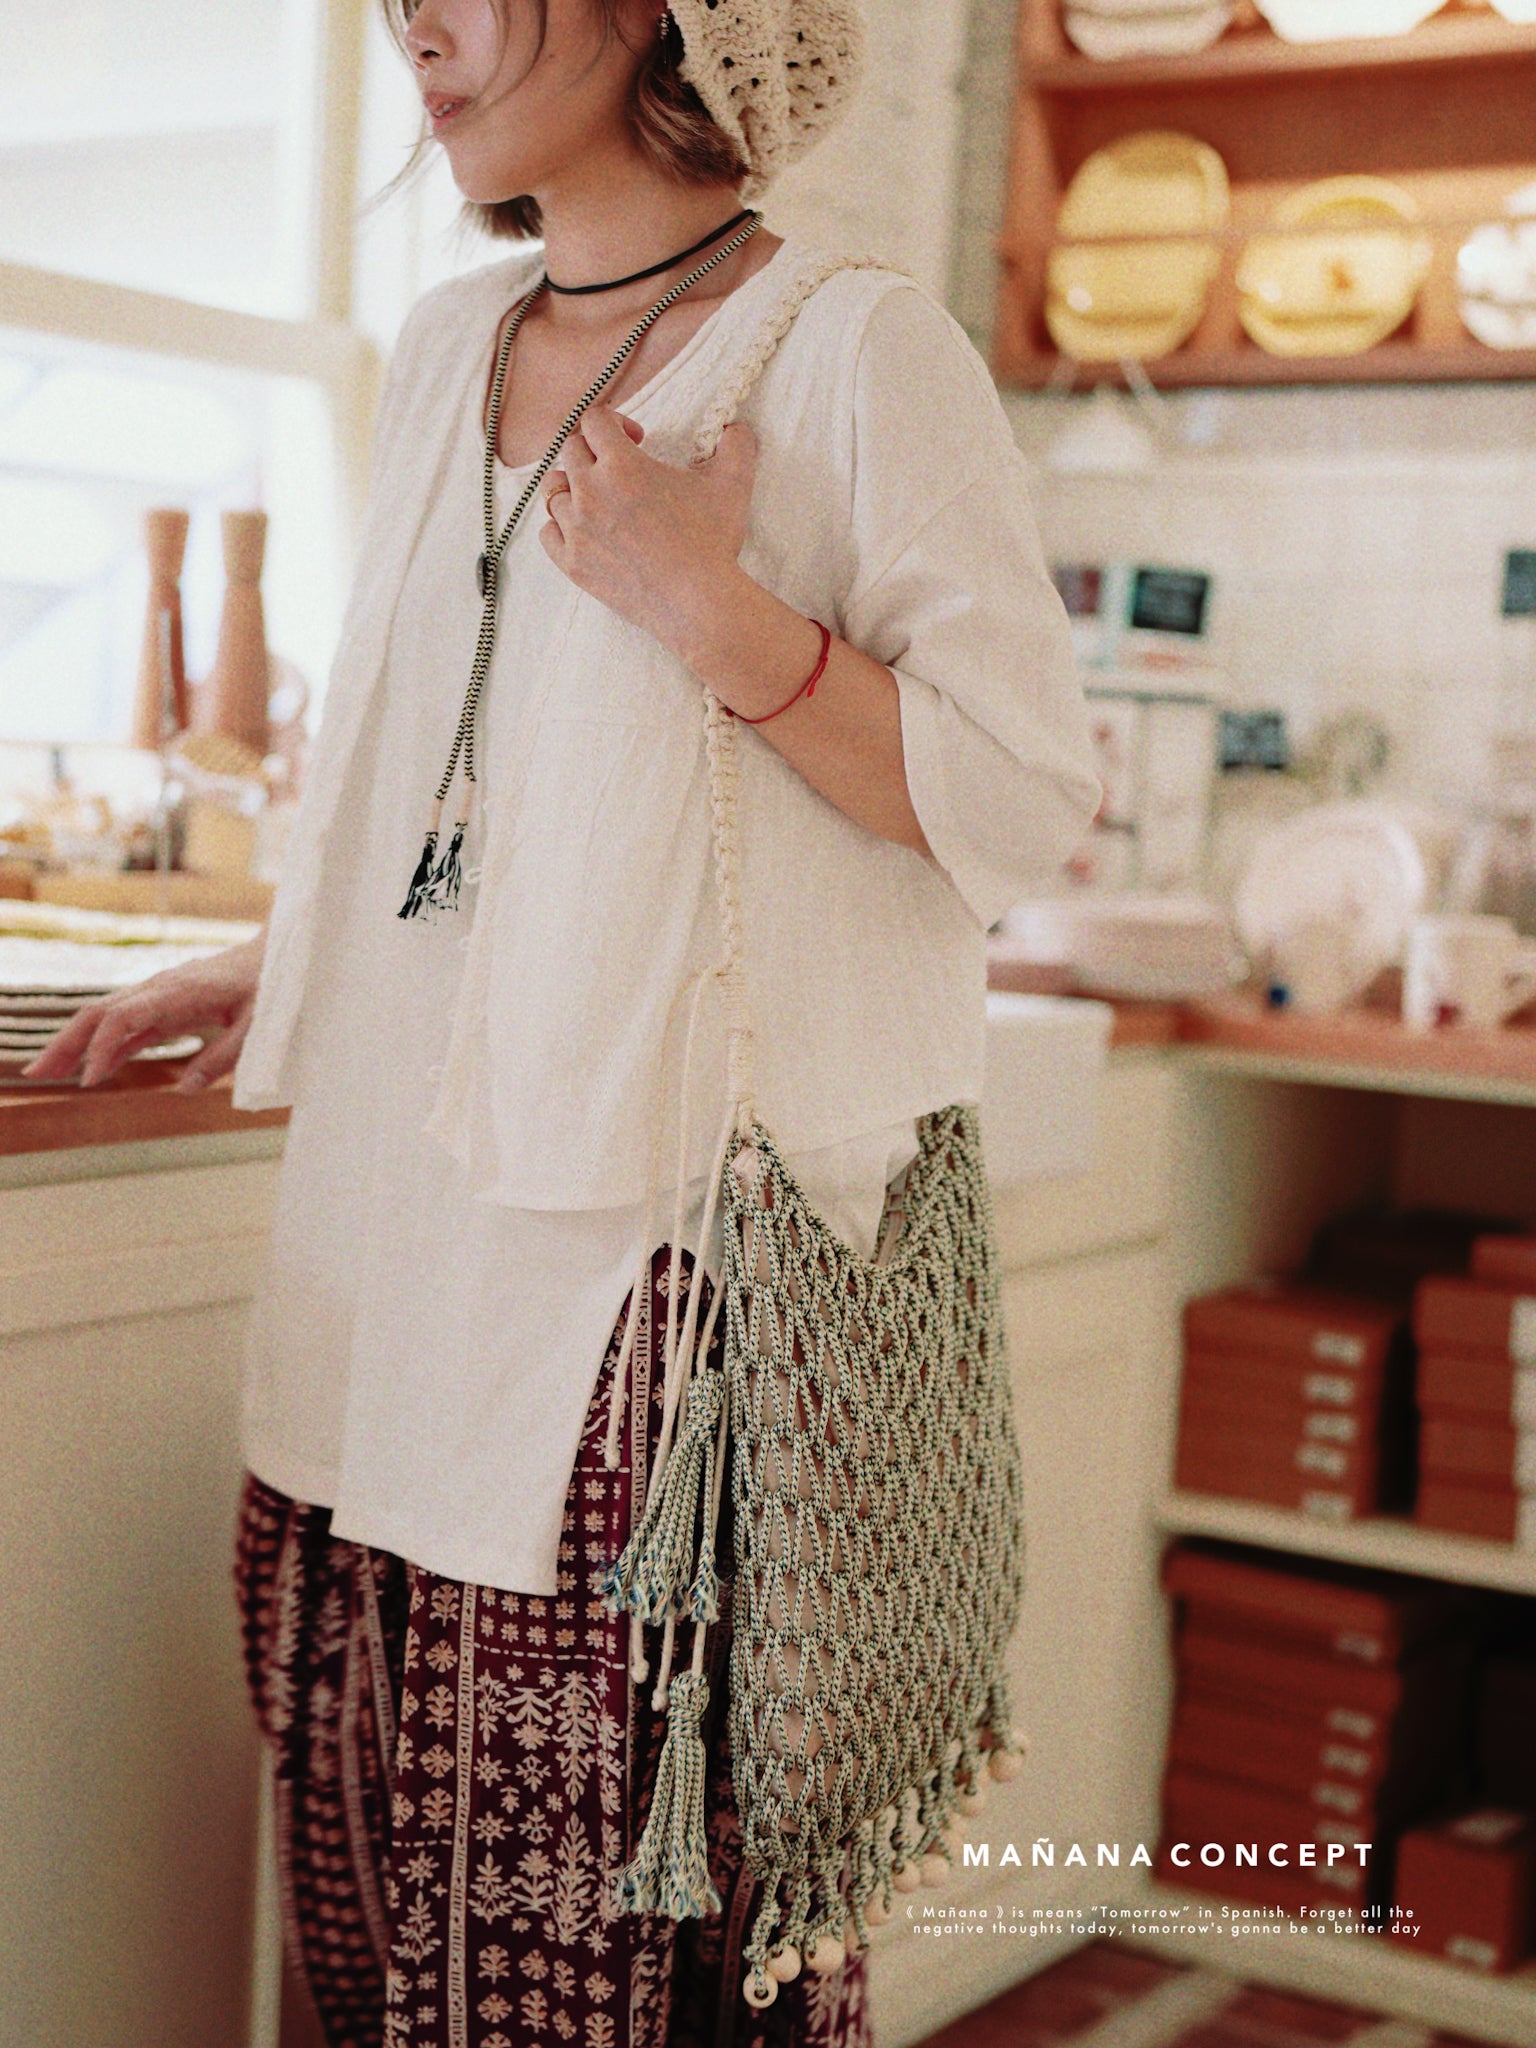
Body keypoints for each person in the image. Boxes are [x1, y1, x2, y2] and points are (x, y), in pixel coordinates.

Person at [27, 0, 1100, 2041]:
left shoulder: (856, 349)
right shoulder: (450, 344)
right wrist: (290, 958)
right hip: (382, 1255)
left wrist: (717, 609)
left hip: (634, 1310)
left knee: (604, 1969)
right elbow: (462, 768)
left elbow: (1022, 798)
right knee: (368, 1943)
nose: (416, 27)